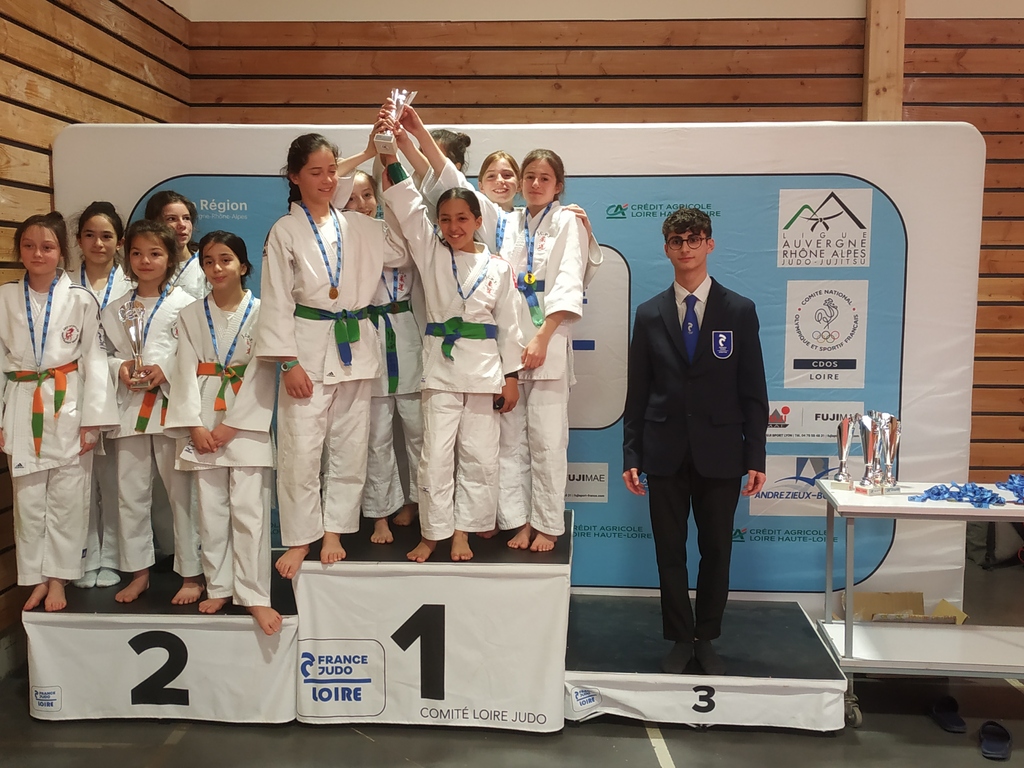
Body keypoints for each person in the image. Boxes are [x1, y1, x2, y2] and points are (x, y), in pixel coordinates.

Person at [622, 206, 768, 676]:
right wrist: (632, 453)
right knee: (669, 551)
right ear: (666, 249)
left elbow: (753, 390)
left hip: (721, 452)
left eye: (694, 239)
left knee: (717, 550)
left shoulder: (739, 310)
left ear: (709, 244)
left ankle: (706, 635)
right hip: (663, 451)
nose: (685, 247)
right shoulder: (649, 314)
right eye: (676, 240)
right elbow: (638, 391)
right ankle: (679, 636)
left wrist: (756, 454)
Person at [257, 131, 408, 578]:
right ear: (294, 177)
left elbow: (401, 251)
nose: (326, 180)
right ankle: (300, 537)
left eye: (331, 171)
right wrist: (287, 361)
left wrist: (384, 163)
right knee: (301, 450)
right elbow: (276, 299)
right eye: (315, 172)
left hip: (356, 343)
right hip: (305, 346)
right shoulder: (285, 231)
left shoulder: (361, 226)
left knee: (350, 446)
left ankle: (335, 531)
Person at [380, 140, 525, 563]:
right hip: (441, 370)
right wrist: (388, 155)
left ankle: (463, 531)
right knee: (435, 457)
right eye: (445, 219)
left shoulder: (498, 267)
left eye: (462, 218)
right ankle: (433, 533)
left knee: (479, 457)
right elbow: (409, 206)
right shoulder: (431, 251)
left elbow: (510, 328)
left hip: (483, 372)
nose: (453, 227)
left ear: (478, 221)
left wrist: (511, 378)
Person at [165, 231, 280, 635]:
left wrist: (235, 423)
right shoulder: (190, 315)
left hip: (246, 422)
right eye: (209, 261)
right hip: (203, 417)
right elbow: (183, 369)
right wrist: (194, 424)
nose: (217, 268)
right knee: (210, 512)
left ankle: (254, 595)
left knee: (250, 513)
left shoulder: (264, 312)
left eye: (226, 259)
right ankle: (219, 585)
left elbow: (263, 370)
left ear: (243, 266)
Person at [1, 212, 117, 611]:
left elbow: (95, 361)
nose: (38, 253)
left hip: (68, 403)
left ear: (61, 252)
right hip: (22, 403)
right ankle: (35, 578)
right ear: (19, 250)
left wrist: (93, 421)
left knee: (69, 499)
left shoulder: (80, 299)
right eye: (29, 246)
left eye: (47, 247)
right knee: (28, 502)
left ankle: (59, 579)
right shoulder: (4, 298)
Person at [102, 219, 201, 605]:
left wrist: (166, 369)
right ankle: (138, 572)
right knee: (131, 494)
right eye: (137, 253)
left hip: (169, 409)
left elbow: (194, 354)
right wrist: (120, 368)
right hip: (129, 410)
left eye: (155, 253)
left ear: (171, 257)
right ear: (127, 257)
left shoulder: (187, 305)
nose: (145, 260)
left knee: (181, 495)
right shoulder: (115, 309)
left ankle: (191, 573)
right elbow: (105, 356)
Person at [342, 171, 424, 543]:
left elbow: (401, 256)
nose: (361, 204)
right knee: (376, 436)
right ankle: (379, 513)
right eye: (351, 197)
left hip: (405, 331)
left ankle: (419, 501)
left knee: (418, 430)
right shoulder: (338, 239)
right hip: (366, 333)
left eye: (367, 195)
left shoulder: (393, 232)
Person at [71, 202, 133, 590]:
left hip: (122, 390)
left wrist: (120, 367)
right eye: (90, 235)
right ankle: (84, 556)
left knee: (115, 481)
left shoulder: (132, 285)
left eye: (107, 236)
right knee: (79, 479)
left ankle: (111, 556)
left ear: (120, 242)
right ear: (78, 240)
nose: (98, 243)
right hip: (73, 391)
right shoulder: (63, 285)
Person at [144, 190, 209, 300]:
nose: (182, 225)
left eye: (186, 218)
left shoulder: (206, 262)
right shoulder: (145, 265)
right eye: (172, 219)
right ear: (154, 224)